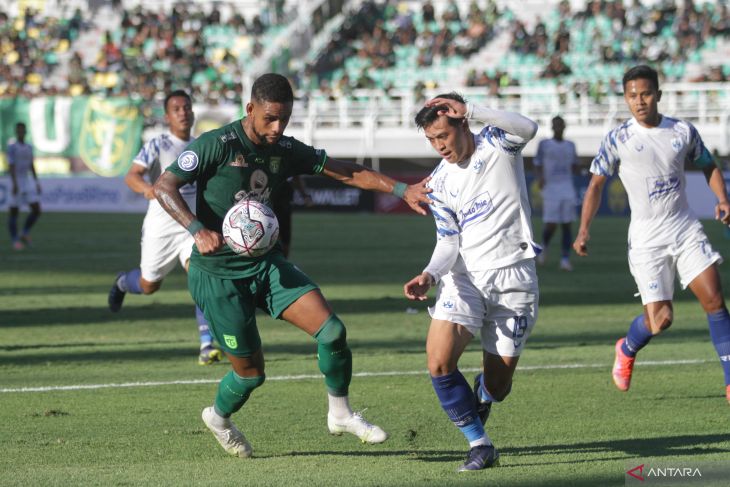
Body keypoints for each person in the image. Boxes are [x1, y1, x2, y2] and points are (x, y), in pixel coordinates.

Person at [153, 73, 432, 458]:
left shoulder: (284, 148)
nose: (277, 127)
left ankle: (341, 413)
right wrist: (198, 229)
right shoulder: (216, 144)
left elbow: (344, 170)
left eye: (284, 119)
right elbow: (163, 186)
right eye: (270, 118)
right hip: (217, 275)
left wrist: (402, 189)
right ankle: (218, 417)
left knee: (332, 331)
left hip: (266, 265)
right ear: (250, 109)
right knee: (251, 375)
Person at [573, 65, 730, 403]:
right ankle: (627, 347)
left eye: (645, 94)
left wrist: (722, 199)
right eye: (632, 96)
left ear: (658, 94)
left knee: (715, 300)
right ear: (626, 99)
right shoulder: (618, 138)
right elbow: (595, 185)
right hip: (646, 238)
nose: (639, 101)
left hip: (684, 226)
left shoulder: (682, 131)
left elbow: (708, 165)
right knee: (661, 319)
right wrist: (584, 229)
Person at [404, 93, 539, 471]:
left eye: (443, 135)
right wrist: (430, 273)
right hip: (464, 279)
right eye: (431, 140)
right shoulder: (440, 182)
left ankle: (484, 391)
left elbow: (529, 128)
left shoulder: (498, 143)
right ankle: (480, 444)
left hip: (514, 275)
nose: (439, 146)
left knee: (499, 387)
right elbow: (448, 241)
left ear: (462, 122)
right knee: (439, 361)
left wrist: (474, 109)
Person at [107, 90, 223, 366]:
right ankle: (123, 282)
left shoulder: (202, 145)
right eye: (177, 109)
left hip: (192, 225)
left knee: (201, 275)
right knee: (149, 285)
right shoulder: (158, 144)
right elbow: (132, 175)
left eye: (187, 107)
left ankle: (207, 345)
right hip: (161, 225)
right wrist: (148, 189)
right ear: (168, 116)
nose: (183, 112)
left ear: (193, 113)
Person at [534, 115, 579, 271]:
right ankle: (544, 246)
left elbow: (575, 165)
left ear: (564, 126)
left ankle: (565, 259)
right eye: (556, 125)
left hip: (567, 187)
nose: (558, 127)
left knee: (567, 224)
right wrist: (540, 178)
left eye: (560, 125)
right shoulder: (544, 144)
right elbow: (537, 163)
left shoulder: (570, 145)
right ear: (552, 127)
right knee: (551, 224)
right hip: (551, 188)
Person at [7, 122, 41, 251]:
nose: (21, 132)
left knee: (37, 209)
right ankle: (15, 240)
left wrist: (37, 182)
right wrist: (14, 183)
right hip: (17, 181)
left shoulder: (29, 146)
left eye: (23, 130)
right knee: (14, 212)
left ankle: (25, 232)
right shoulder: (12, 147)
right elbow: (11, 166)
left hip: (27, 181)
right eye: (19, 130)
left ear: (25, 131)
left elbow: (32, 165)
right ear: (16, 132)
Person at [271, 175, 313, 257]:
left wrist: (304, 195)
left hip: (284, 204)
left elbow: (296, 177)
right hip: (270, 203)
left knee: (285, 238)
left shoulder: (288, 165)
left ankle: (283, 261)